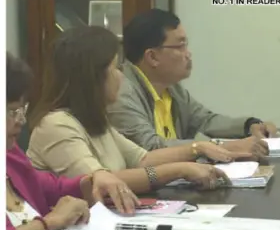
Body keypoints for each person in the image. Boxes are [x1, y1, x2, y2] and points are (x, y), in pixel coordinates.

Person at [26, 26, 239, 190]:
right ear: (92, 78)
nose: (121, 76)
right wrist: (179, 170)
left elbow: (142, 159)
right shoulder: (55, 125)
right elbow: (100, 182)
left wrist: (197, 149)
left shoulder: (92, 120)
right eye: (115, 68)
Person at [6, 52, 141, 230]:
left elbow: (43, 184)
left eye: (21, 110)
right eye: (10, 112)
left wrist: (90, 182)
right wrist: (50, 223)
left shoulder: (9, 153)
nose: (21, 121)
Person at [107, 8, 274, 155]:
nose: (188, 54)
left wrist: (249, 126)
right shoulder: (121, 93)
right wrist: (226, 147)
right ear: (152, 57)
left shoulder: (171, 89)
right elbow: (150, 148)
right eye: (180, 46)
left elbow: (205, 120)